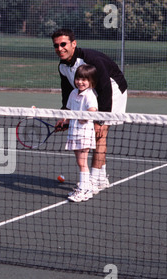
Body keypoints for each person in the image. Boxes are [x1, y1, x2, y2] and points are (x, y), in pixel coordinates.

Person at [52, 29, 128, 195]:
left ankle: (92, 182)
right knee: (97, 135)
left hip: (113, 89)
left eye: (63, 44)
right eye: (56, 46)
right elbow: (67, 92)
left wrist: (101, 120)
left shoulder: (89, 61)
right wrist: (65, 116)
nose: (60, 48)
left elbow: (105, 88)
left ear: (73, 44)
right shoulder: (63, 66)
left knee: (99, 135)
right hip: (94, 91)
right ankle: (101, 178)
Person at [59, 64, 98, 202]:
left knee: (82, 162)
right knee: (79, 161)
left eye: (84, 79)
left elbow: (93, 110)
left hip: (84, 133)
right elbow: (69, 111)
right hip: (73, 132)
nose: (80, 82)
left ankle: (84, 190)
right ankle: (84, 186)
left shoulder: (90, 94)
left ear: (91, 81)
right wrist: (65, 120)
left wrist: (85, 116)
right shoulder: (73, 93)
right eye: (78, 79)